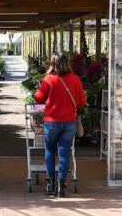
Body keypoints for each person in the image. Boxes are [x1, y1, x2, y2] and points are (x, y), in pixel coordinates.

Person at [34, 53, 86, 197]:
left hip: (52, 122)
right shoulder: (75, 79)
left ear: (52, 63)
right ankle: (61, 185)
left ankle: (51, 183)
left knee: (50, 151)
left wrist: (40, 88)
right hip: (69, 122)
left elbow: (38, 98)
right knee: (64, 154)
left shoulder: (49, 79)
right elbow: (82, 101)